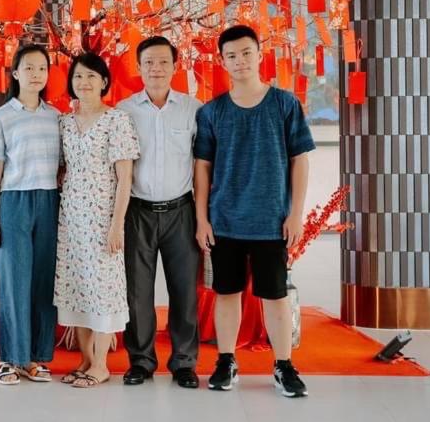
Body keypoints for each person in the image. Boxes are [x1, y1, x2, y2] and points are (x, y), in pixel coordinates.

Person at [194, 24, 315, 398]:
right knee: (226, 293)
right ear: (222, 62)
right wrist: (201, 218)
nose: (240, 61)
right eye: (231, 55)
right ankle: (226, 361)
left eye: (246, 53)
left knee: (276, 295)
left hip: (271, 221)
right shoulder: (212, 112)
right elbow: (202, 168)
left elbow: (300, 160)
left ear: (260, 55)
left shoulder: (284, 104)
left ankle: (284, 365)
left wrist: (295, 214)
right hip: (224, 220)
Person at [117, 36, 203, 389]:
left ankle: (184, 362)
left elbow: (203, 166)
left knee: (184, 290)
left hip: (181, 211)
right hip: (137, 211)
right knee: (137, 292)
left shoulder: (193, 109)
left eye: (163, 62)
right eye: (149, 62)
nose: (156, 68)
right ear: (138, 67)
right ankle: (141, 360)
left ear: (175, 66)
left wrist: (203, 217)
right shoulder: (123, 111)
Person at [53, 52, 139, 388]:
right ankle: (86, 360)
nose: (84, 82)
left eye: (91, 76)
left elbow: (125, 178)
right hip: (71, 220)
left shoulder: (116, 120)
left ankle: (101, 364)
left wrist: (117, 225)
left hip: (103, 220)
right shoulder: (64, 123)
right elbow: (59, 168)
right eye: (78, 76)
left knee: (104, 290)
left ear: (104, 81)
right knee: (78, 289)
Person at [0, 44, 61, 385]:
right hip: (13, 202)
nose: (36, 74)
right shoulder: (2, 117)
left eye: (42, 68)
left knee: (43, 281)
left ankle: (35, 358)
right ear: (15, 74)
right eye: (28, 68)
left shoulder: (56, 117)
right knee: (14, 282)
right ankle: (9, 359)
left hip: (49, 200)